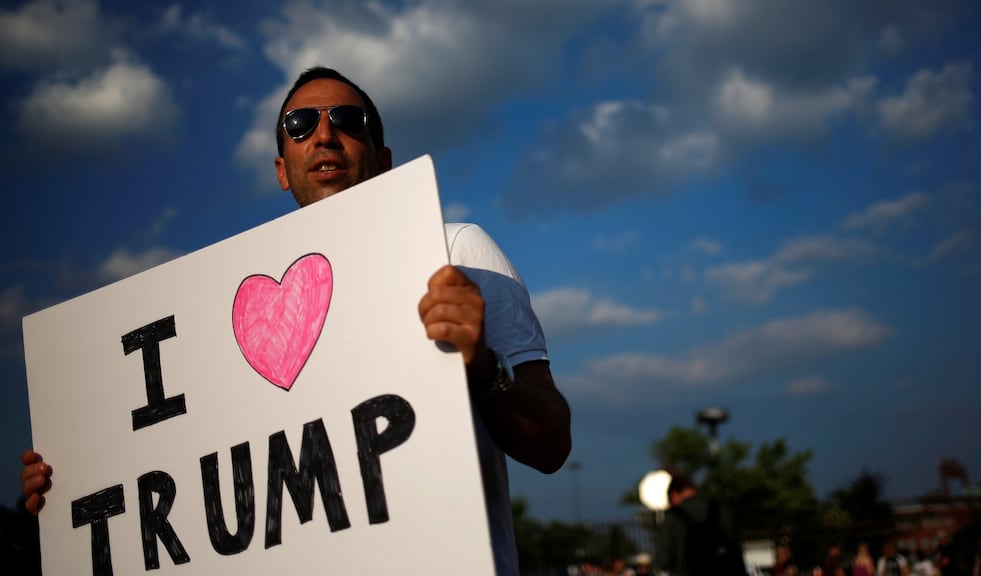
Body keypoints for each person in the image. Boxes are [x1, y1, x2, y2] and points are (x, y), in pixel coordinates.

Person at [20, 66, 572, 576]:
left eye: (348, 122)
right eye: (301, 124)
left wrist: (482, 366)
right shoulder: (215, 313)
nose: (325, 135)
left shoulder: (455, 250)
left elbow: (551, 445)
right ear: (283, 170)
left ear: (382, 161)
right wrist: (74, 485)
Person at [654, 474, 745, 576]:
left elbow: (663, 561)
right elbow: (737, 551)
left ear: (674, 494)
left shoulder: (673, 517)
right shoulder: (722, 509)